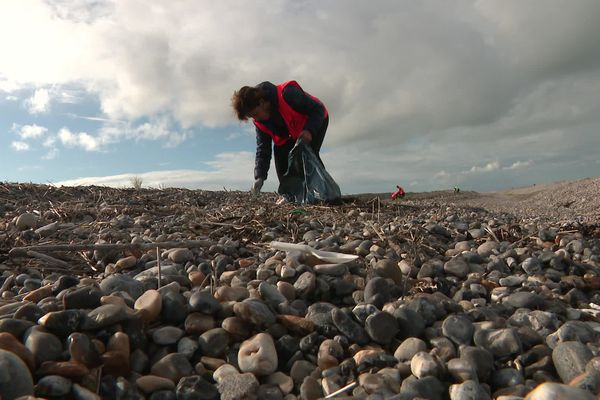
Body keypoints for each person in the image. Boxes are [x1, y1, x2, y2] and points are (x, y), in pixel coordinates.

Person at [231, 80, 328, 197]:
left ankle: (323, 193)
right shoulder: (260, 122)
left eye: (256, 114)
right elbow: (263, 149)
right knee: (281, 156)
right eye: (252, 117)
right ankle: (291, 196)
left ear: (261, 102)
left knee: (308, 156)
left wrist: (309, 130)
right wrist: (259, 177)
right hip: (290, 134)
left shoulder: (288, 94)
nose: (256, 119)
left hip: (316, 121)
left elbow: (318, 110)